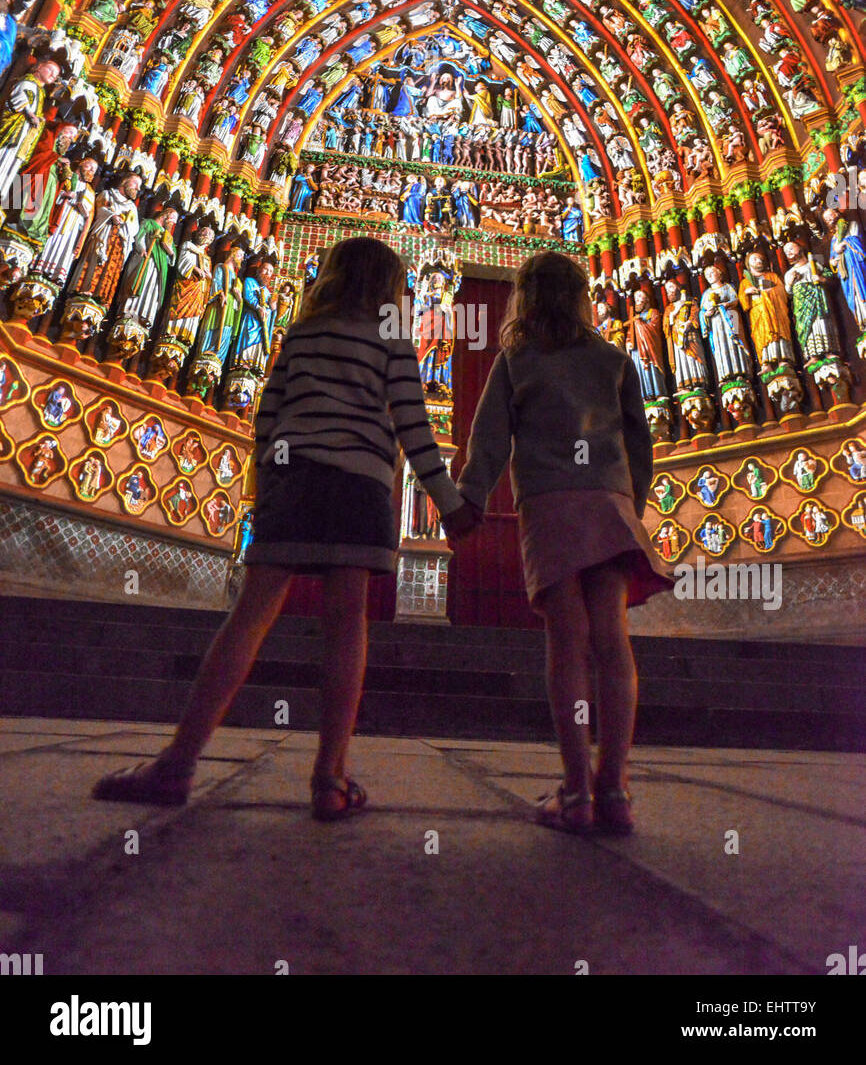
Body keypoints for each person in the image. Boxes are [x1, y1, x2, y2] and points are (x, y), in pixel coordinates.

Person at [92, 237, 477, 817]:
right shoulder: (392, 337)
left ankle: (178, 763)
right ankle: (330, 778)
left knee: (248, 616)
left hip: (294, 480)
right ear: (390, 289)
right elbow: (412, 421)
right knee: (347, 625)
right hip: (361, 488)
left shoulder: (301, 334)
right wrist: (448, 500)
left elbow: (267, 417)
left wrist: (264, 484)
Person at [456, 253, 673, 836]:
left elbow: (488, 445)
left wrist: (468, 503)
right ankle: (617, 789)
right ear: (581, 298)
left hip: (550, 508)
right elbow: (640, 441)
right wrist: (633, 503)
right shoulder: (613, 360)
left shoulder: (516, 361)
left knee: (566, 647)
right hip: (607, 502)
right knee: (613, 643)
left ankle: (576, 792)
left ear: (523, 300)